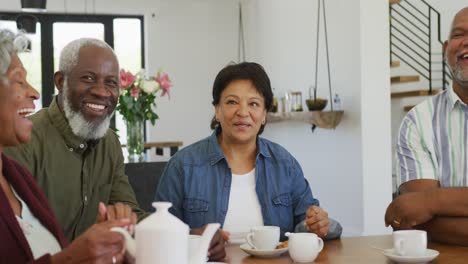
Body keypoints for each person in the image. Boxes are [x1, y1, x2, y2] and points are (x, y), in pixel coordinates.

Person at [156, 62, 342, 260]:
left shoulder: (285, 164)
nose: (243, 112)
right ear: (217, 110)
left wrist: (319, 224)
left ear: (263, 115)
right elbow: (157, 236)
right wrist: (192, 238)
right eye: (232, 102)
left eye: (253, 104)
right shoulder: (183, 165)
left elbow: (306, 225)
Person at [0, 28, 133, 264]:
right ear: (61, 82)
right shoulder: (24, 145)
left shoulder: (13, 173)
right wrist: (72, 257)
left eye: (111, 82)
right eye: (19, 81)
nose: (34, 91)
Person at [385, 7, 468, 246]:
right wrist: (422, 209)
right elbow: (415, 219)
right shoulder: (418, 122)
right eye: (458, 34)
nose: (466, 42)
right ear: (445, 50)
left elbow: (421, 207)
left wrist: (432, 201)